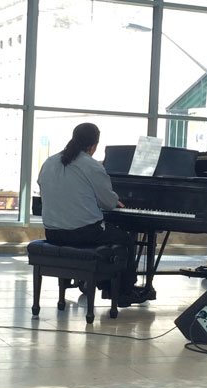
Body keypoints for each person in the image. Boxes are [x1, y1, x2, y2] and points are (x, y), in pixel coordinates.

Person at [37, 122, 152, 307]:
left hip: (52, 233)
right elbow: (107, 202)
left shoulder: (49, 162)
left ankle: (106, 284)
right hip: (83, 234)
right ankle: (122, 292)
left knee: (110, 234)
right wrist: (115, 201)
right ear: (94, 145)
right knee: (126, 240)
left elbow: (46, 190)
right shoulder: (91, 165)